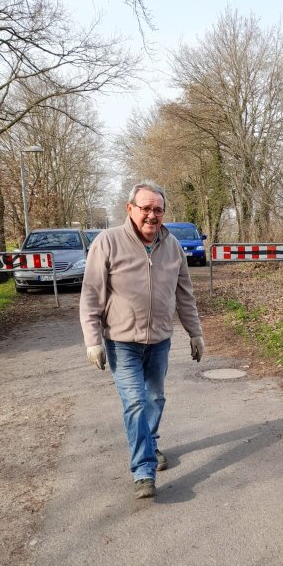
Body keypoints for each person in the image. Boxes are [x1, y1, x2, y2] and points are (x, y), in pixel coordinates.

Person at [80, 181, 205, 500]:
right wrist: (93, 340)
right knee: (135, 401)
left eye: (158, 209)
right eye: (146, 208)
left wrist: (195, 332)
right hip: (121, 341)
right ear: (130, 209)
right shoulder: (108, 242)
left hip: (160, 340)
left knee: (155, 399)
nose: (152, 215)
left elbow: (185, 294)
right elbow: (91, 294)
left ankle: (149, 443)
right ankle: (143, 471)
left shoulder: (173, 246)